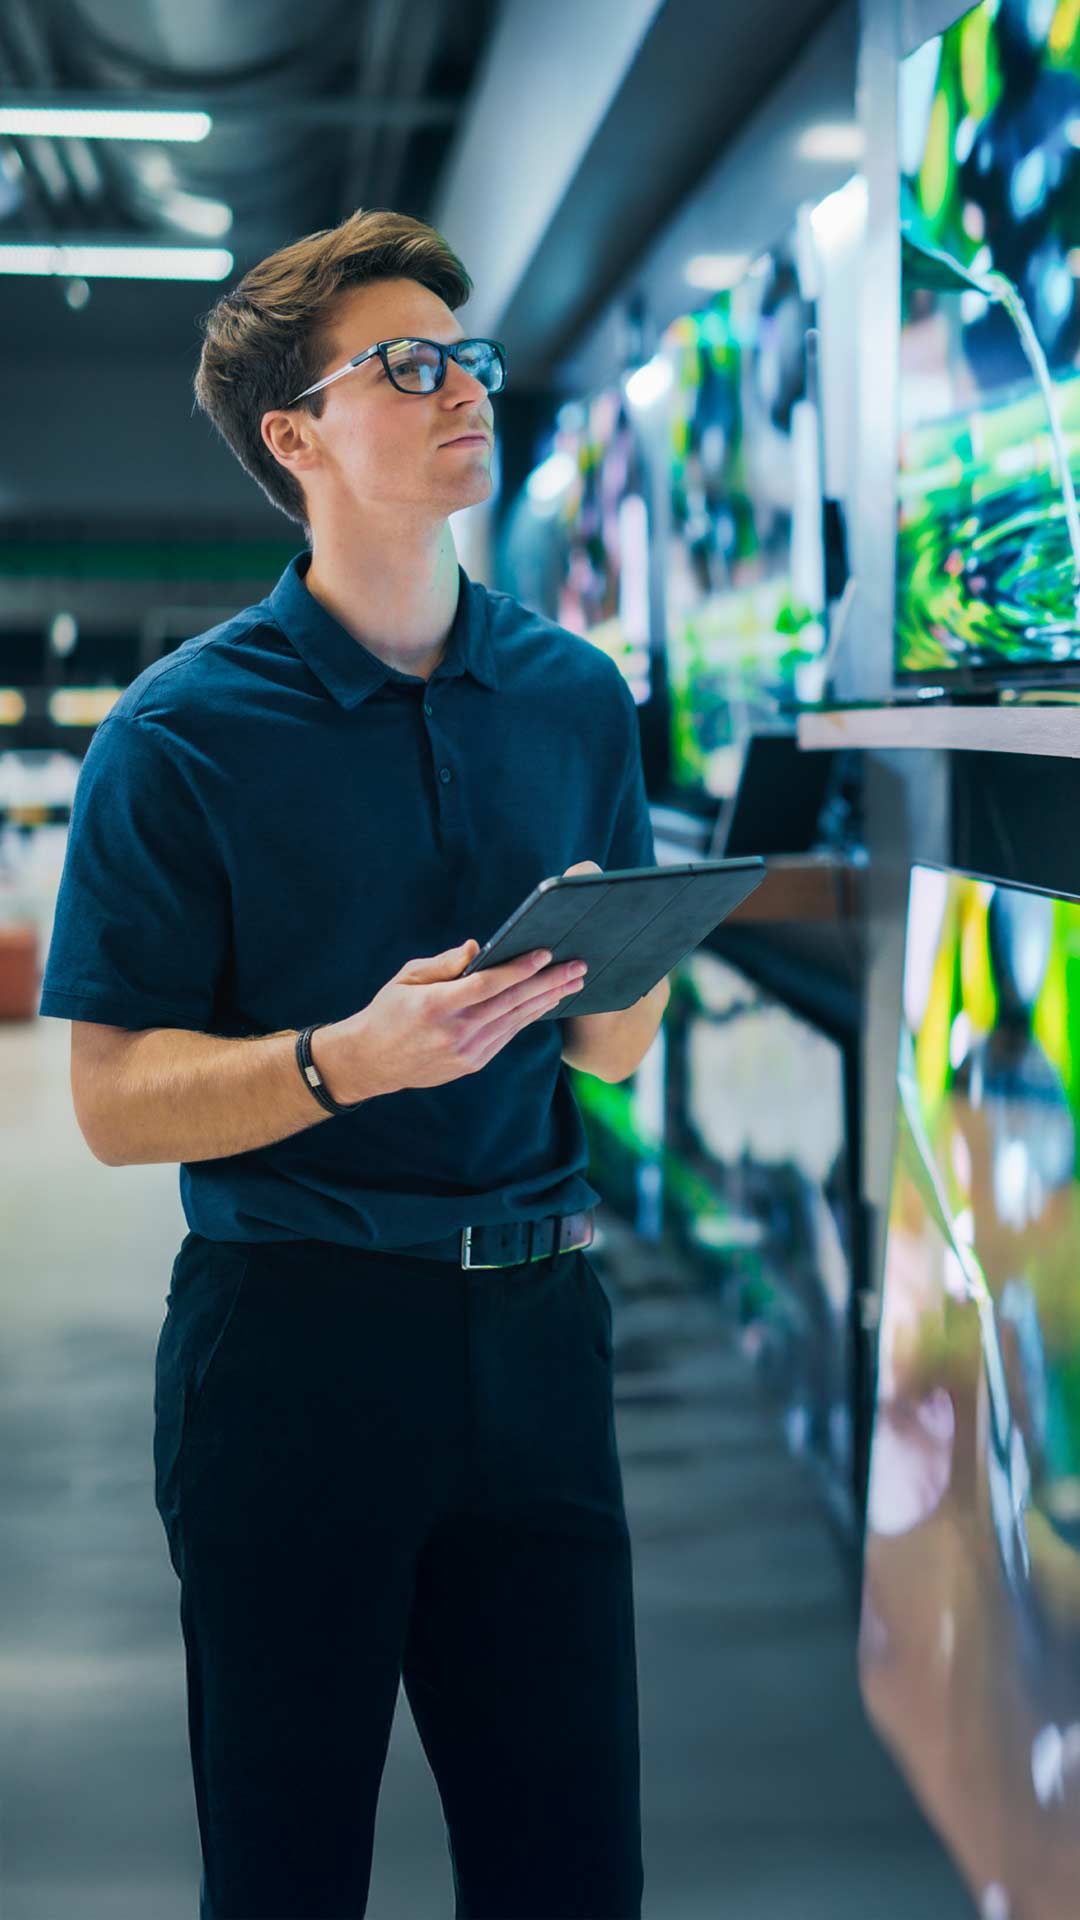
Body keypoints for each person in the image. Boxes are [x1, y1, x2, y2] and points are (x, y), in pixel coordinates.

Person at [39, 205, 667, 1919]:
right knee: (289, 1870)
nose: (462, 386)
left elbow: (611, 1051)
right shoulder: (179, 735)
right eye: (406, 364)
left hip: (543, 1337)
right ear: (295, 436)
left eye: (467, 356)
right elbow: (108, 1102)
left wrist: (612, 969)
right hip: (295, 1353)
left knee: (572, 1875)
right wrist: (345, 1061)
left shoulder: (575, 696)